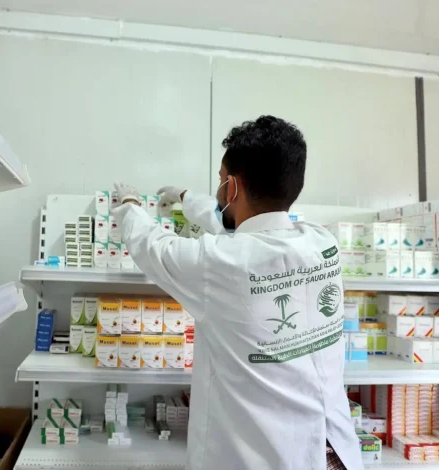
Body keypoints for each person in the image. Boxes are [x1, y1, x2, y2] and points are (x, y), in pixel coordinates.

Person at [111, 116, 362, 470]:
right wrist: (187, 198)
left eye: (220, 180)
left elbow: (153, 246)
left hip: (268, 459)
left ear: (231, 188)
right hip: (334, 452)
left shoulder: (219, 264)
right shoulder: (322, 243)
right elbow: (243, 235)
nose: (218, 190)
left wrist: (129, 205)